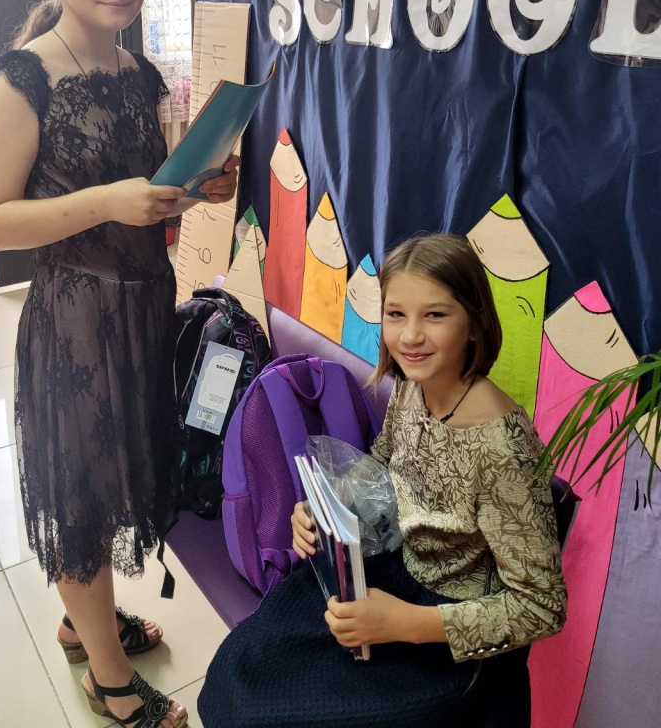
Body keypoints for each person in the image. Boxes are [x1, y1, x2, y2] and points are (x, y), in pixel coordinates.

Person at [0, 0, 238, 728]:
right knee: (81, 492)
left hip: (145, 306)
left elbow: (139, 195)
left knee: (126, 469)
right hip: (76, 318)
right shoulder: (23, 79)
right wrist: (107, 203)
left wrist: (192, 190)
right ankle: (109, 678)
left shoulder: (138, 72)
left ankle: (83, 620)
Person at [198, 234, 567, 728]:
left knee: (262, 713)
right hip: (393, 574)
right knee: (236, 674)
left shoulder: (504, 450)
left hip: (448, 634)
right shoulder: (413, 388)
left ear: (475, 324)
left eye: (434, 315)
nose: (410, 336)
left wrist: (405, 623)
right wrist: (323, 509)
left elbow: (542, 608)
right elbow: (383, 466)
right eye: (396, 314)